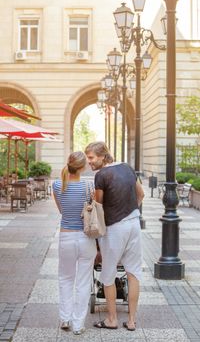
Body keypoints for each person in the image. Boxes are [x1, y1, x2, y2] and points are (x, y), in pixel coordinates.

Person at [85, 141, 144, 331]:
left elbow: (98, 205)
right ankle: (132, 320)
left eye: (92, 157)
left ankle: (112, 319)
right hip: (134, 223)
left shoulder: (101, 175)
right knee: (133, 272)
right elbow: (140, 194)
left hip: (114, 229)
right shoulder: (127, 168)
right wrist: (128, 209)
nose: (89, 162)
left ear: (103, 156)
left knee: (108, 273)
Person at [52, 151, 96, 335]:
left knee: (65, 278)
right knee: (84, 282)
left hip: (66, 237)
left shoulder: (56, 185)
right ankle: (78, 324)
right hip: (86, 238)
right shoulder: (89, 186)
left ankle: (65, 318)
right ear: (83, 167)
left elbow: (62, 211)